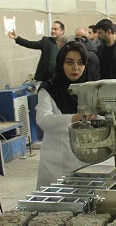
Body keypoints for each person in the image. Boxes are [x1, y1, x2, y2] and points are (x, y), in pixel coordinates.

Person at [36, 42, 92, 188]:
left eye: (80, 63)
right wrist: (74, 118)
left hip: (85, 160)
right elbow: (43, 119)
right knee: (54, 199)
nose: (75, 68)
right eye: (69, 62)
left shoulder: (90, 89)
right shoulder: (48, 89)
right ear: (61, 64)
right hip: (56, 163)